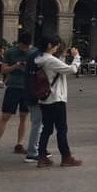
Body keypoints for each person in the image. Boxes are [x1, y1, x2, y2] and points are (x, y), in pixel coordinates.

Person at [34, 35, 82, 167]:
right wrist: (76, 57)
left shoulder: (39, 58)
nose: (57, 48)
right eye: (56, 46)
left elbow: (56, 69)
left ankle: (42, 156)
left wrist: (62, 57)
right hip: (56, 98)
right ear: (50, 45)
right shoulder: (50, 60)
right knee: (62, 129)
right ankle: (66, 157)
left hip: (45, 100)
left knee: (47, 128)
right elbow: (71, 69)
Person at [0, 32, 33, 158]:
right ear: (19, 43)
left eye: (27, 46)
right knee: (5, 116)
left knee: (24, 117)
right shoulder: (11, 52)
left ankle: (19, 144)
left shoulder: (33, 52)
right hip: (13, 87)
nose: (25, 49)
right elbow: (3, 70)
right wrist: (15, 66)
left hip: (27, 88)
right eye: (24, 46)